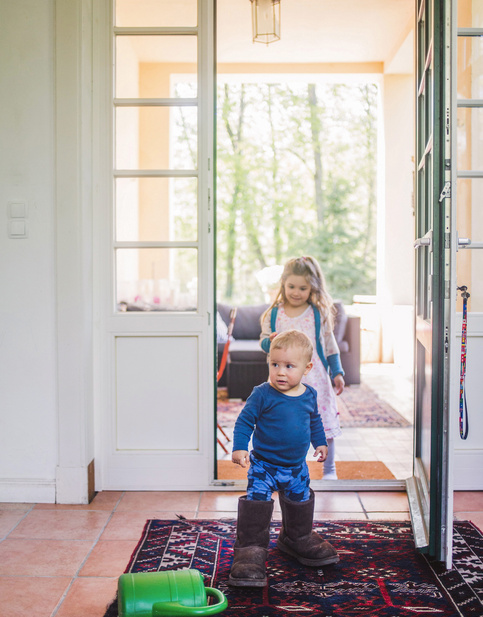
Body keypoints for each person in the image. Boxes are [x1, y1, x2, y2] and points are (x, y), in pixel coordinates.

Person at [229, 330, 339, 588]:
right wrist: (239, 447)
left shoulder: (309, 395)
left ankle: (297, 537)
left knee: (300, 499)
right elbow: (244, 421)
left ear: (307, 368)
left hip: (296, 468)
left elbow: (315, 422)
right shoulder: (262, 394)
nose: (280, 372)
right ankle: (250, 549)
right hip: (263, 467)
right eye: (274, 364)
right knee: (257, 502)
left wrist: (320, 442)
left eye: (289, 366)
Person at [260, 255, 345, 480]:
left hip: (315, 377)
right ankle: (281, 468)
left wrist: (336, 372)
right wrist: (271, 341)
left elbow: (329, 345)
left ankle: (329, 470)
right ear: (283, 285)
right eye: (291, 286)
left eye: (302, 288)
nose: (296, 292)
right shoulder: (274, 314)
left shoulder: (317, 314)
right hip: (283, 381)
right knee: (283, 424)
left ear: (312, 288)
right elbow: (264, 340)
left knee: (323, 422)